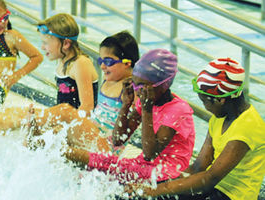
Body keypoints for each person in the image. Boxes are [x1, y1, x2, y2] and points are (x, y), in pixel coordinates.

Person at [0, 31, 140, 153]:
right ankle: (17, 132)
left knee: (65, 111)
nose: (103, 66)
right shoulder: (109, 82)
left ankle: (13, 123)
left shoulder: (131, 88)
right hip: (94, 133)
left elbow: (131, 124)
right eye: (101, 61)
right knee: (55, 131)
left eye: (108, 62)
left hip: (107, 147)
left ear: (128, 63)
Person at [130, 58, 265, 200]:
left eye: (204, 101)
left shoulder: (247, 127)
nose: (205, 107)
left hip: (233, 195)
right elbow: (198, 167)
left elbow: (211, 177)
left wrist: (158, 190)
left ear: (220, 100)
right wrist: (157, 185)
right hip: (212, 187)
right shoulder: (220, 117)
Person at [61, 48, 196, 185]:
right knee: (85, 167)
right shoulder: (148, 100)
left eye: (142, 86)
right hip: (144, 166)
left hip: (166, 174)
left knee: (89, 162)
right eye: (135, 85)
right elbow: (118, 140)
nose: (138, 91)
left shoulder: (179, 110)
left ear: (164, 85)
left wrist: (146, 110)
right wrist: (125, 105)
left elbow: (150, 154)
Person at [0, 13, 99, 130]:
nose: (42, 47)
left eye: (46, 43)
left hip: (77, 125)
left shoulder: (80, 63)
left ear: (66, 43)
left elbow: (87, 108)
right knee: (15, 111)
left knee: (25, 120)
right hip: (64, 118)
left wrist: (62, 128)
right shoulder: (62, 61)